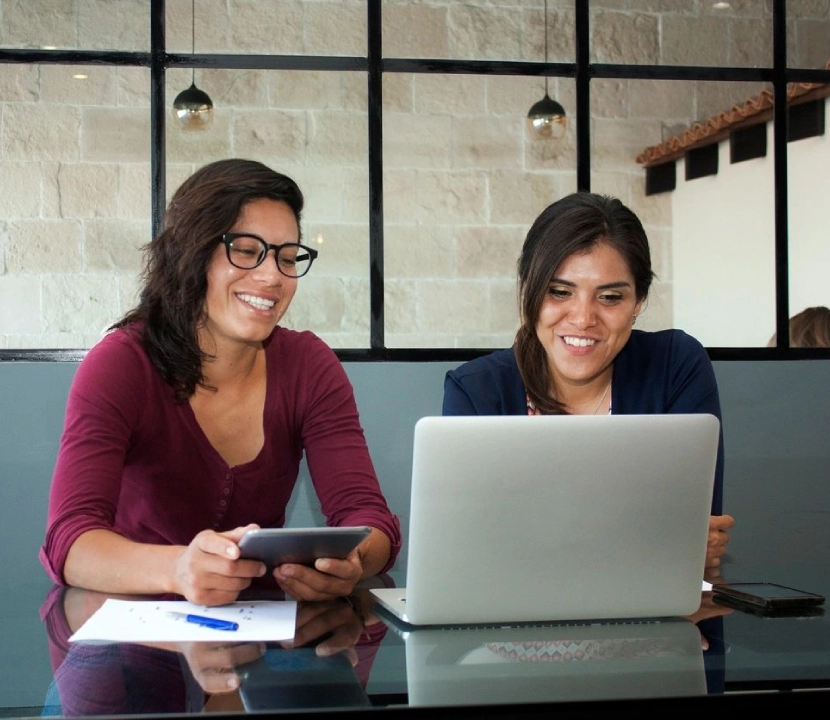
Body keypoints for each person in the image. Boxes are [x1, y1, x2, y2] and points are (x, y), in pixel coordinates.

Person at [40, 159, 401, 606]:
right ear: (191, 254)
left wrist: (351, 563)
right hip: (128, 631)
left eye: (288, 257)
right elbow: (69, 539)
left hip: (254, 633)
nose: (273, 276)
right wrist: (177, 569)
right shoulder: (121, 364)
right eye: (247, 251)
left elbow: (370, 519)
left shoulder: (310, 365)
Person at [442, 192, 733, 571]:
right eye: (559, 292)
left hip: (654, 615)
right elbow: (469, 551)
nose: (582, 318)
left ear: (639, 302)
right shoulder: (477, 390)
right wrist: (645, 540)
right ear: (527, 289)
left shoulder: (674, 367)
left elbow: (697, 538)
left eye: (610, 297)